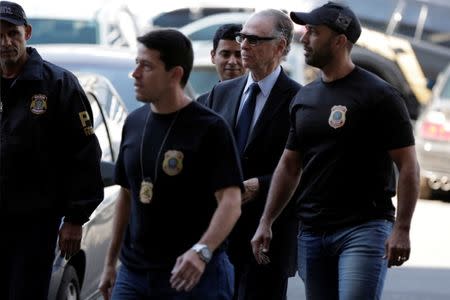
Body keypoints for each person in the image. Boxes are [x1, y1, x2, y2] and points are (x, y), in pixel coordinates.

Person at [251, 2, 420, 300]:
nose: (304, 39)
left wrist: (402, 229)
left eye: (314, 33)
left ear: (340, 40)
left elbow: (408, 165)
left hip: (364, 229)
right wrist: (267, 220)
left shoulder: (380, 95)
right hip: (312, 231)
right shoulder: (305, 97)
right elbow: (290, 166)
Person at [98, 29, 243, 300]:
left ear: (175, 74)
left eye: (147, 66)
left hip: (193, 276)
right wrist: (109, 264)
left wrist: (202, 251)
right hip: (134, 274)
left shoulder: (210, 128)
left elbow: (231, 201)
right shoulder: (134, 123)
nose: (135, 74)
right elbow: (126, 196)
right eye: (136, 64)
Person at [0, 1, 104, 299]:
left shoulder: (58, 84)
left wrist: (74, 218)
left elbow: (84, 154)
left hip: (35, 226)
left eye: (12, 33)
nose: (5, 42)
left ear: (27, 33)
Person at [204, 9, 302, 300]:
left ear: (281, 47)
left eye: (254, 40)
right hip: (220, 232)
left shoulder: (300, 100)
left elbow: (306, 168)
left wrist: (261, 184)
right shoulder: (221, 93)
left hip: (269, 237)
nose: (244, 46)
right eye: (242, 37)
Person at [196, 23, 246, 105]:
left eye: (239, 55)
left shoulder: (257, 101)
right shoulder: (202, 103)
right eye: (225, 54)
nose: (232, 61)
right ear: (213, 56)